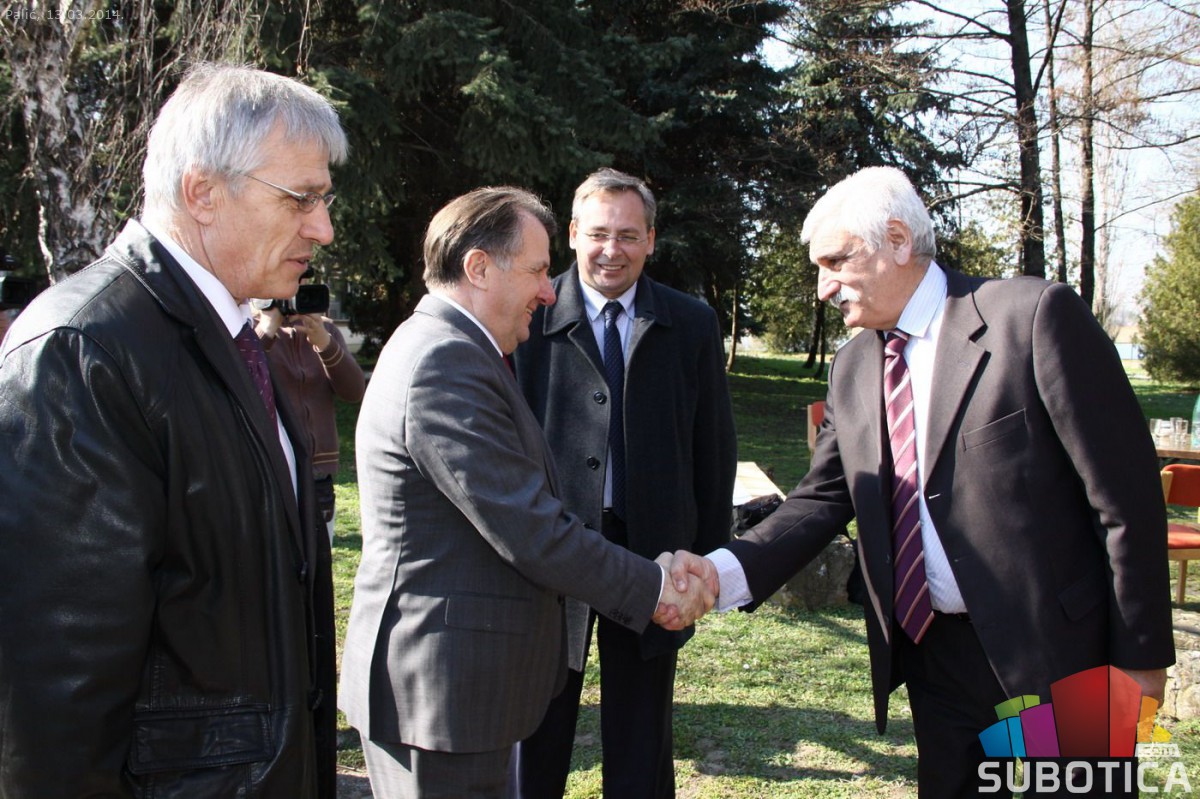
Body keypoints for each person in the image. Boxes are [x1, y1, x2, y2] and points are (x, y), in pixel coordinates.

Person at [670, 166, 1175, 798]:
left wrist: (1140, 658)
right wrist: (721, 573)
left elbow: (1125, 502)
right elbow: (822, 499)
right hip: (937, 662)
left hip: (1061, 656)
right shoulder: (854, 367)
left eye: (835, 262)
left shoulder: (1031, 318)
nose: (823, 288)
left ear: (898, 241)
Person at [0, 63, 346, 797]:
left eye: (324, 199)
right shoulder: (84, 350)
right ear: (202, 192)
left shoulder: (227, 333)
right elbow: (54, 697)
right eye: (300, 199)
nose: (323, 227)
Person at [338, 185, 713, 799]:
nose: (548, 291)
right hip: (440, 690)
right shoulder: (444, 363)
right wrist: (656, 587)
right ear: (479, 268)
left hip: (458, 686)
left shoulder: (458, 350)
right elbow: (531, 529)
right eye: (538, 271)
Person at [510, 168, 737, 799]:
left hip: (653, 552)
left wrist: (706, 559)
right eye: (599, 234)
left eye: (629, 235)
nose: (612, 250)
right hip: (553, 552)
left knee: (642, 731)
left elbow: (713, 449)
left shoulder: (691, 323)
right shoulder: (528, 314)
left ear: (651, 240)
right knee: (538, 723)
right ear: (573, 234)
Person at [254, 276, 366, 543]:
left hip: (318, 476)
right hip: (271, 472)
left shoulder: (326, 330)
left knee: (320, 560)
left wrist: (324, 343)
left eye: (304, 284)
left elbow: (354, 391)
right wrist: (268, 329)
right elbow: (239, 376)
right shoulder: (250, 331)